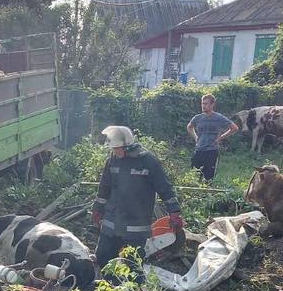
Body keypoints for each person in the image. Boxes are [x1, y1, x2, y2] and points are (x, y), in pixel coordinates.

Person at [92, 126, 182, 275]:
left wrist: (174, 212)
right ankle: (110, 285)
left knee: (132, 265)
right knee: (103, 257)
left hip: (136, 225)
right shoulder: (112, 161)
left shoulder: (148, 161)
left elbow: (165, 188)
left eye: (117, 149)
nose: (115, 152)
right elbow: (104, 189)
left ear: (128, 146)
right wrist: (97, 209)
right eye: (113, 149)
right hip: (111, 221)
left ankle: (135, 288)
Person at [187, 94, 238, 181]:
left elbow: (234, 128)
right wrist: (195, 137)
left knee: (208, 178)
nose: (203, 106)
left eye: (206, 104)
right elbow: (189, 127)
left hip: (211, 150)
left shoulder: (219, 117)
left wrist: (220, 138)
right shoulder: (198, 118)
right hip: (199, 150)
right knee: (194, 176)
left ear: (212, 104)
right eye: (202, 103)